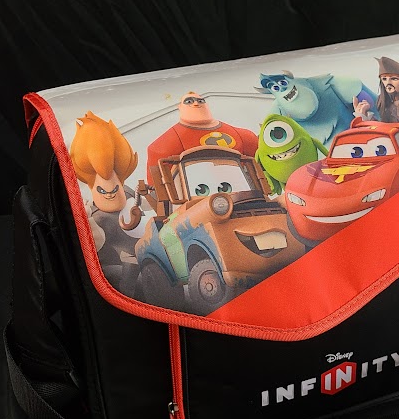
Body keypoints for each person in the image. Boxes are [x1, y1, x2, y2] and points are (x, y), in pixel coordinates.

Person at [69, 111, 140, 295]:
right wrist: (88, 220)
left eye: (114, 189)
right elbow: (97, 243)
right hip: (119, 274)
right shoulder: (99, 217)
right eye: (102, 190)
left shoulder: (132, 196)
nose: (109, 193)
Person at [145, 91, 258, 186]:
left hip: (244, 190)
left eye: (200, 101)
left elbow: (258, 163)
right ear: (180, 107)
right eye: (189, 101)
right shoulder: (168, 141)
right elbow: (157, 183)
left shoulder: (242, 135)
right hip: (199, 192)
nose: (196, 103)